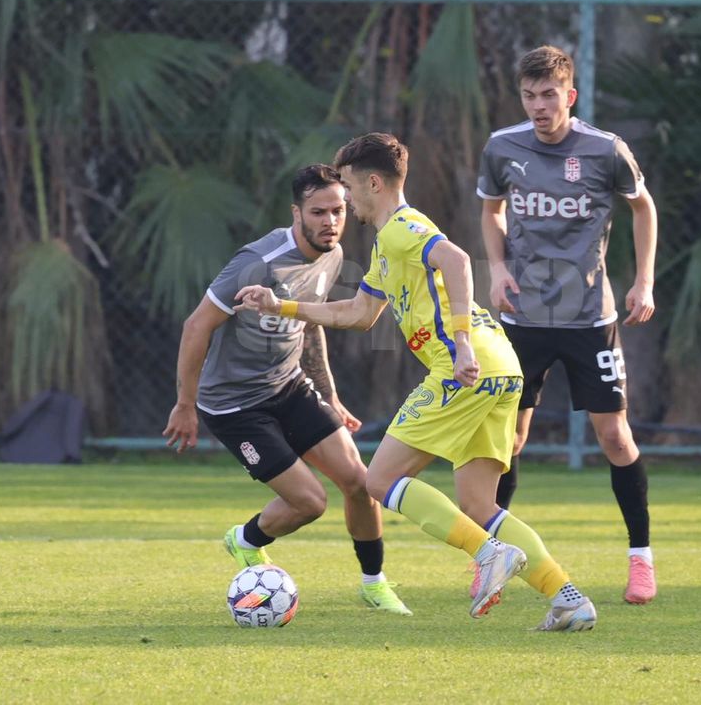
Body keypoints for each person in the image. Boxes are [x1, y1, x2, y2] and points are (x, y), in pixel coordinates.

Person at [237, 133, 596, 631]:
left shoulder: (405, 227)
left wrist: (461, 343)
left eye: (348, 188)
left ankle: (488, 553)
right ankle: (568, 599)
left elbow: (457, 260)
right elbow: (358, 312)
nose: (346, 200)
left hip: (464, 366)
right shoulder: (388, 243)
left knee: (378, 481)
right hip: (500, 367)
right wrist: (281, 306)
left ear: (374, 183)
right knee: (479, 505)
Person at [163, 163, 411, 615]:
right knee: (310, 503)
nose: (330, 221)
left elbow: (309, 321)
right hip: (235, 405)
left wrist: (330, 395)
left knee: (361, 482)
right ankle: (245, 539)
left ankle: (374, 584)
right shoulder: (257, 263)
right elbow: (196, 325)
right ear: (296, 213)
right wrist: (185, 403)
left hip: (289, 385)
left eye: (338, 210)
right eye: (318, 212)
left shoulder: (332, 254)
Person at [477, 44, 659, 605]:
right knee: (509, 440)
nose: (539, 105)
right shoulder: (503, 147)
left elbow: (643, 207)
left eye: (549, 95)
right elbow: (491, 210)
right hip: (523, 317)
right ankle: (492, 559)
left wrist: (644, 281)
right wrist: (498, 269)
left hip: (589, 318)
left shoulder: (605, 150)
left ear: (570, 95)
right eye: (529, 95)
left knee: (615, 436)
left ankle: (641, 559)